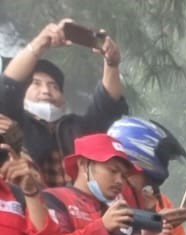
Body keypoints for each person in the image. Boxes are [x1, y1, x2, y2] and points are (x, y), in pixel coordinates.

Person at [0, 19, 127, 187]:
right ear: (23, 93)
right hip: (28, 206)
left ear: (63, 97)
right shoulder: (14, 122)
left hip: (74, 210)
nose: (46, 91)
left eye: (54, 86)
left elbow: (107, 106)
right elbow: (9, 85)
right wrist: (40, 44)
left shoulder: (76, 127)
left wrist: (112, 63)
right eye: (36, 83)